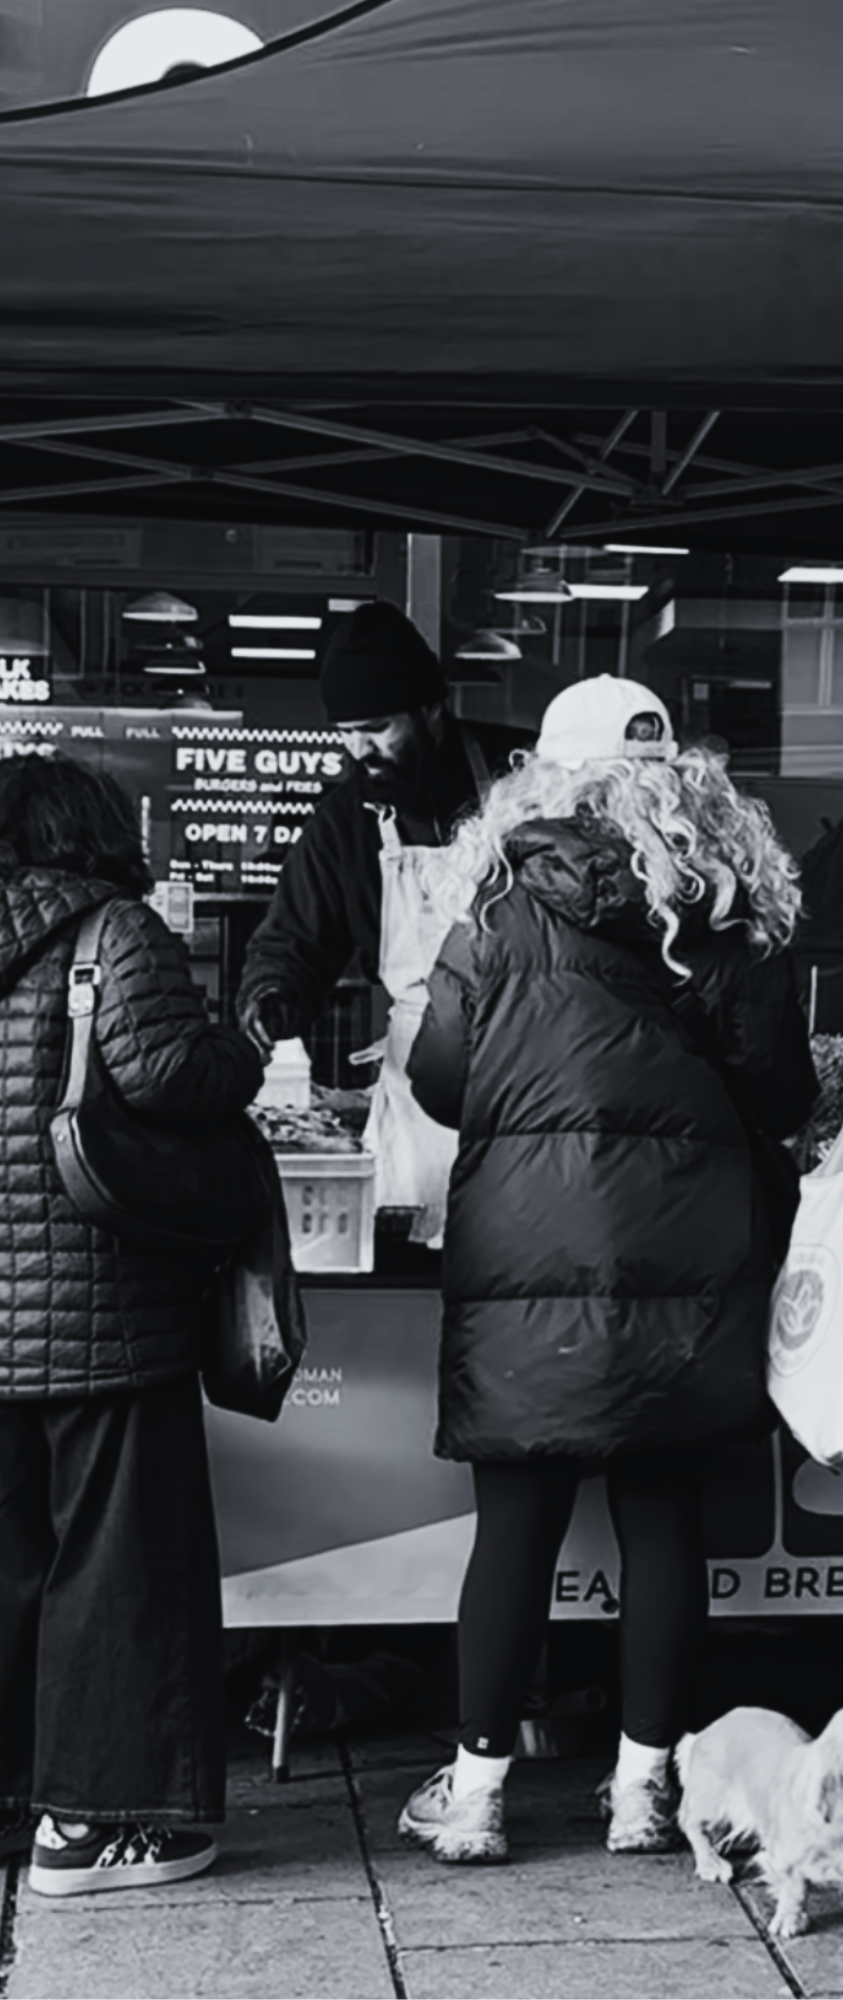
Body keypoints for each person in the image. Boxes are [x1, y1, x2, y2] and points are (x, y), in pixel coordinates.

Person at [396, 676, 818, 1865]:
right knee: (663, 1519)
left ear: (548, 771)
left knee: (515, 1529)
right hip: (684, 1264)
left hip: (522, 1253)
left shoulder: (495, 905)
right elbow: (779, 1094)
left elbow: (440, 1081)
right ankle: (643, 1788)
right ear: (679, 773)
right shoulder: (726, 910)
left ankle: (476, 1795)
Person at [0, 752, 264, 1895]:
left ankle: (16, 1798)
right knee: (118, 1570)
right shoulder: (113, 930)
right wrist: (244, 1050)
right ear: (95, 831)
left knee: (11, 1566)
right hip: (101, 1313)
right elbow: (172, 1077)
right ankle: (102, 1824)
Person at [236, 601, 520, 1242]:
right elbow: (295, 938)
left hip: (527, 1069)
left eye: (377, 727)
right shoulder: (346, 819)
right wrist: (270, 996)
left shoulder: (519, 782)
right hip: (418, 1097)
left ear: (431, 709)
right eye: (345, 731)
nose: (358, 748)